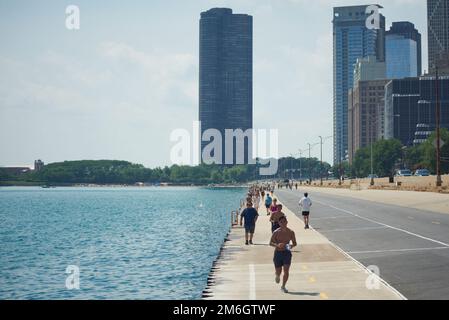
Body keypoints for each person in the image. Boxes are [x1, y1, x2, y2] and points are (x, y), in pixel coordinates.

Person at [269, 216, 297, 293]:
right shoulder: (276, 232)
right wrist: (277, 245)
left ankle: (283, 286)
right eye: (281, 222)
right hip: (278, 253)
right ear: (279, 223)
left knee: (286, 270)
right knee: (279, 271)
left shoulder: (291, 232)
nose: (283, 223)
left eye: (284, 221)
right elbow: (270, 243)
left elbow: (295, 243)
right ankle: (277, 275)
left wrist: (291, 245)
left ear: (287, 222)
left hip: (286, 253)